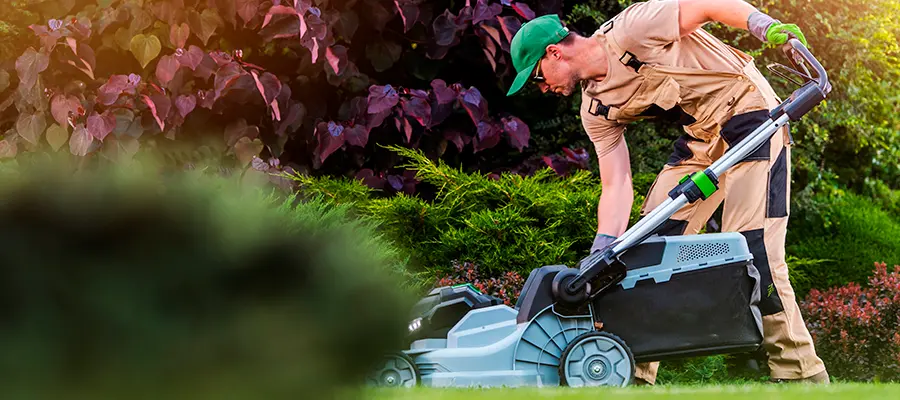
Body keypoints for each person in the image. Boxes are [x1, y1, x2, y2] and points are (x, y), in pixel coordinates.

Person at [505, 0, 829, 385]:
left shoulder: (632, 29)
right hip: (702, 141)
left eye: (538, 77)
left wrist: (763, 25)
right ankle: (631, 374)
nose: (542, 88)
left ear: (554, 53)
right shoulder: (595, 109)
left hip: (751, 116)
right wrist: (604, 248)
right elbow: (616, 183)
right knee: (644, 250)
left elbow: (707, 5)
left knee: (754, 247)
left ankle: (800, 374)